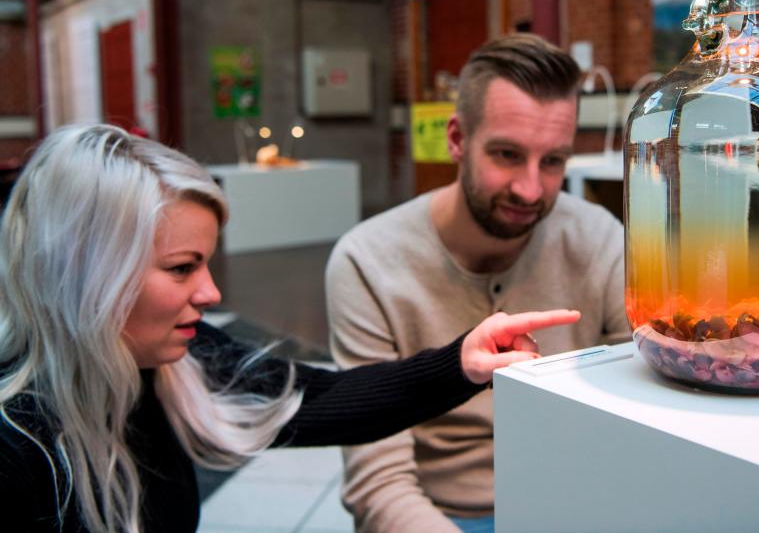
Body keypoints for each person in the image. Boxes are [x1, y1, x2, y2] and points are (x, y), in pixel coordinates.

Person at [0, 124, 580, 533]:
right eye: (181, 269)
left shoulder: (176, 364)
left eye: (205, 264)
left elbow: (320, 398)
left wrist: (461, 362)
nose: (211, 294)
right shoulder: (16, 449)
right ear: (84, 276)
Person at [326, 33, 630, 533]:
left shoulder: (599, 240)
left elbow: (637, 412)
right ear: (456, 139)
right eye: (507, 155)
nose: (531, 188)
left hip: (575, 501)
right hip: (441, 514)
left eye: (552, 161)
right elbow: (378, 482)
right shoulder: (368, 262)